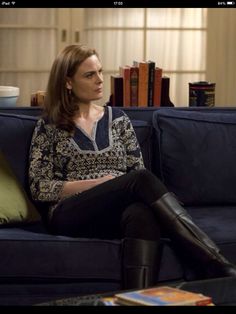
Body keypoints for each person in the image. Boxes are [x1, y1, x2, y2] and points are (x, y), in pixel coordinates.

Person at [29, 44, 236, 290]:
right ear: (68, 82)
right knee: (140, 179)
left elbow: (136, 170)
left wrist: (115, 186)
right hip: (69, 213)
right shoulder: (49, 126)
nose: (100, 80)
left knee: (141, 212)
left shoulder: (118, 120)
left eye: (100, 71)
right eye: (89, 75)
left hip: (115, 210)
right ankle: (213, 261)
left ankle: (139, 296)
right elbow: (39, 187)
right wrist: (99, 184)